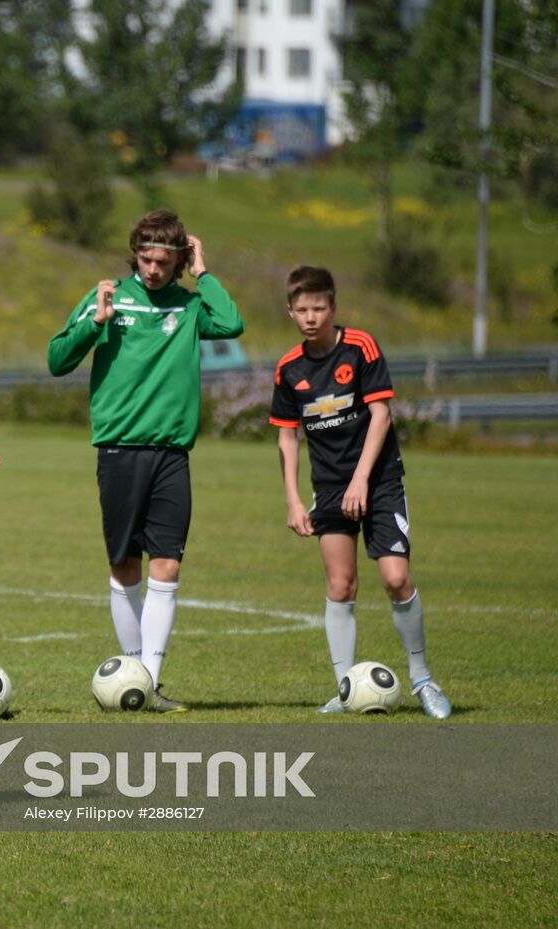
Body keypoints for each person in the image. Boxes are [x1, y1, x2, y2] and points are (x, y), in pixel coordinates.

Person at [47, 209, 244, 712]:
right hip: (119, 448)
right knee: (124, 564)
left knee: (168, 563)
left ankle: (148, 681)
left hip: (173, 453)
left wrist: (203, 271)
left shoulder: (190, 305)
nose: (153, 269)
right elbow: (57, 360)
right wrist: (96, 322)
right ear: (134, 255)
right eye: (146, 259)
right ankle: (131, 670)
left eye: (164, 261)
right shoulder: (109, 296)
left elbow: (232, 322)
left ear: (177, 261)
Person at [269, 265, 451, 718]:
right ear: (290, 311)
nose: (311, 317)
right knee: (340, 584)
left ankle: (423, 679)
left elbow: (382, 415)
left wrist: (362, 479)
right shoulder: (289, 369)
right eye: (302, 310)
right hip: (328, 487)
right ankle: (346, 688)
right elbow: (287, 438)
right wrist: (293, 499)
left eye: (319, 308)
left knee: (394, 578)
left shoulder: (361, 347)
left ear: (333, 307)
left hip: (379, 480)